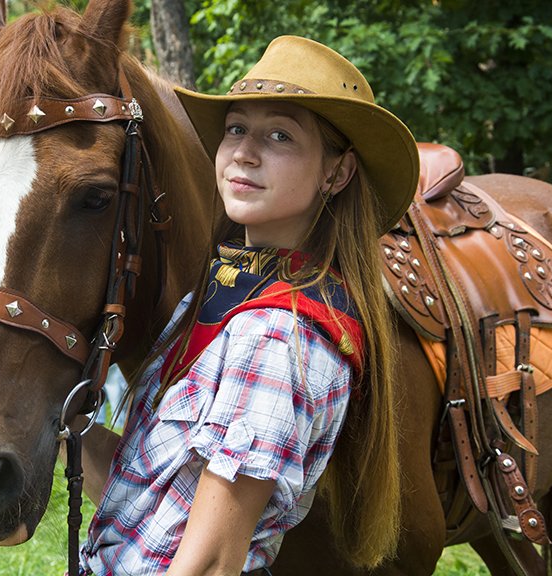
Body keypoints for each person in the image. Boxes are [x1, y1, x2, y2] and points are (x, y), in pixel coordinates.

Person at [78, 36, 419, 575]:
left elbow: (212, 563)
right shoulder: (216, 296)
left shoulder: (277, 335)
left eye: (280, 135)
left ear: (337, 173)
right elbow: (146, 504)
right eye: (236, 128)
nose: (244, 151)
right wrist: (64, 423)